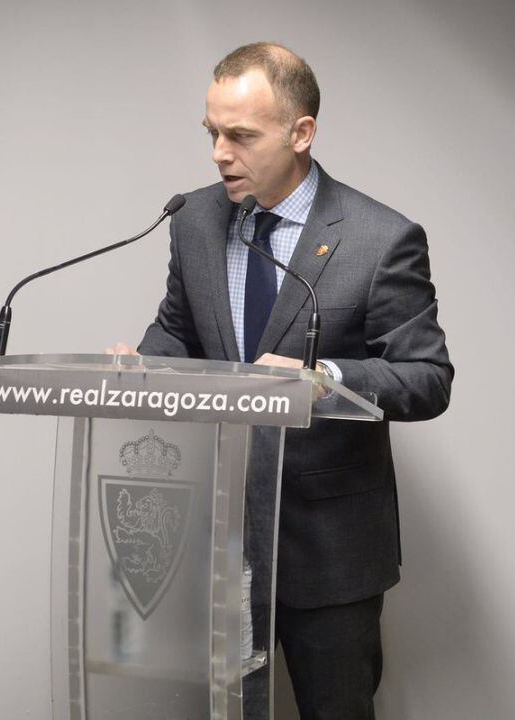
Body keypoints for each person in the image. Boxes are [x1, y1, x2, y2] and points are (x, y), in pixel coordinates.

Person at [110, 41, 452, 720]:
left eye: (241, 135)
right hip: (218, 534)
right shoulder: (197, 221)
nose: (218, 154)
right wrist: (145, 363)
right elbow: (180, 330)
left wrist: (323, 378)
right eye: (212, 133)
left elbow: (427, 377)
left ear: (301, 133)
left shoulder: (379, 239)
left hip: (327, 547)